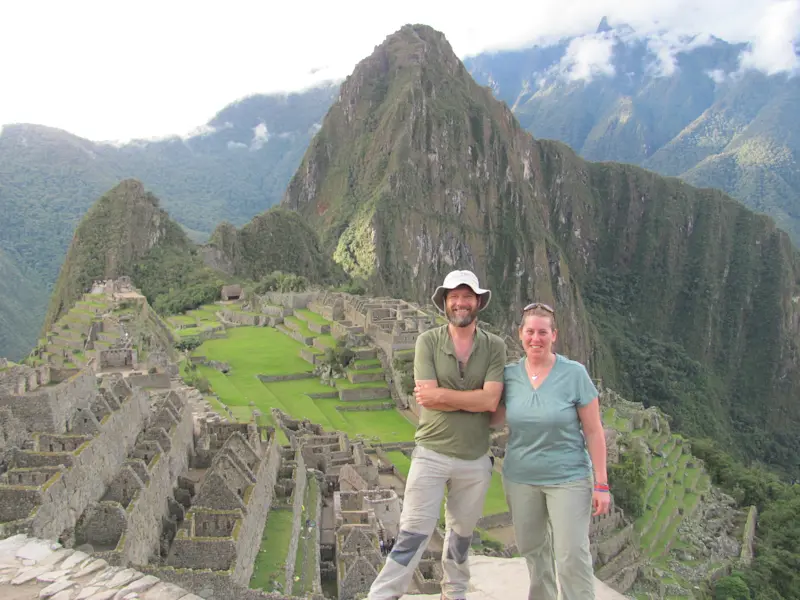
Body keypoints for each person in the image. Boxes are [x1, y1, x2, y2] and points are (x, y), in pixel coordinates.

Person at [367, 270, 507, 600]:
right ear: (444, 303)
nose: (461, 303)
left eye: (467, 297)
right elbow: (434, 396)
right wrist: (474, 399)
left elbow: (487, 400)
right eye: (454, 297)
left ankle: (453, 594)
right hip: (431, 453)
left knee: (460, 536)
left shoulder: (495, 346)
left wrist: (444, 397)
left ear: (478, 303)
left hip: (474, 460)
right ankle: (383, 595)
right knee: (413, 532)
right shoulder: (427, 341)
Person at [491, 302, 610, 600]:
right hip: (520, 478)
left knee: (571, 554)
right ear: (520, 334)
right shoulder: (509, 377)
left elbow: (594, 431)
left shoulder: (574, 374)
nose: (536, 339)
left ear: (554, 335)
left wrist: (602, 482)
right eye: (530, 332)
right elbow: (491, 416)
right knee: (533, 550)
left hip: (567, 477)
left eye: (542, 332)